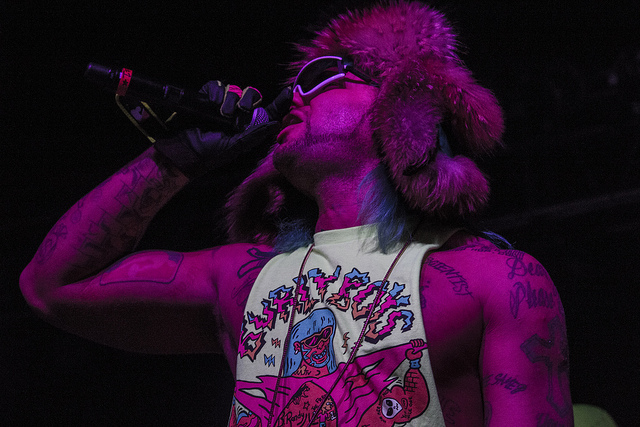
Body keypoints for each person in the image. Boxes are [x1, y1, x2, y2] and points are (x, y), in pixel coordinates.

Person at [20, 1, 572, 425]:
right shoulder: (242, 279)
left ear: (400, 106)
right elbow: (51, 288)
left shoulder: (495, 279)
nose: (292, 97)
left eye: (322, 77)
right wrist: (174, 158)